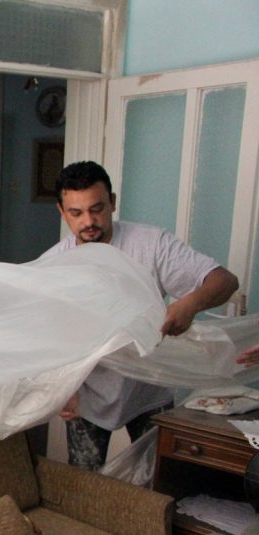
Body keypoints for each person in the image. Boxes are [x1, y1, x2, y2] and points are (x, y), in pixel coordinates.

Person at [43, 160, 239, 471]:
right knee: (82, 480)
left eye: (97, 209)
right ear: (61, 212)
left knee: (155, 476)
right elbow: (46, 338)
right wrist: (61, 389)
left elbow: (225, 281)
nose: (89, 221)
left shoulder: (151, 244)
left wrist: (189, 304)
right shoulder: (54, 265)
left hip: (149, 385)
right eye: (76, 213)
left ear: (113, 202)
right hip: (86, 391)